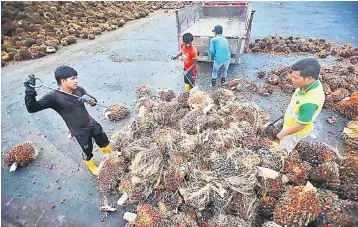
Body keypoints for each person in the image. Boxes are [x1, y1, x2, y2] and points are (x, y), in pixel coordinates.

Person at [24, 66, 114, 176]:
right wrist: (29, 91)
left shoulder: (79, 90)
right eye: (73, 78)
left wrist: (90, 100)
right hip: (79, 130)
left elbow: (94, 102)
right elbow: (32, 108)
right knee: (87, 150)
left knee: (103, 140)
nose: (76, 81)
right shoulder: (53, 97)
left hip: (91, 123)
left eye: (76, 78)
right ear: (63, 81)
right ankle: (91, 166)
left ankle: (110, 156)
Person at [277, 58, 325, 157]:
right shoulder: (308, 84)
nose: (292, 79)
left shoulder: (310, 103)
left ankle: (280, 165)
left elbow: (301, 125)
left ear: (309, 78)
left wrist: (283, 134)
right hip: (291, 122)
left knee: (283, 149)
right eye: (292, 76)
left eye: (296, 78)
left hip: (295, 131)